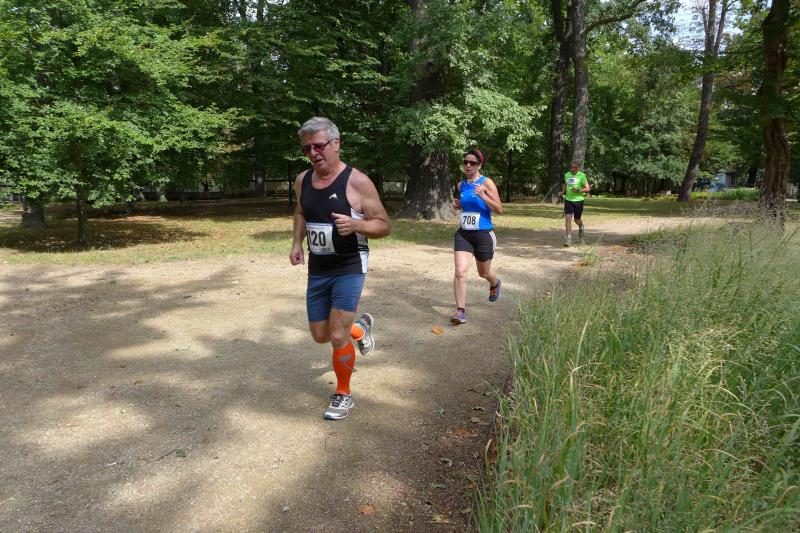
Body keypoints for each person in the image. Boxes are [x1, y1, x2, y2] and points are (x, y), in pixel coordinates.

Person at [289, 117, 391, 420]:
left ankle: (343, 393)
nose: (313, 153)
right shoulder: (302, 180)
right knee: (320, 335)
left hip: (350, 265)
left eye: (319, 146)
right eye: (307, 149)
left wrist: (357, 225)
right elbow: (300, 212)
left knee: (336, 336)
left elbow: (384, 225)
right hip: (319, 267)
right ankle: (360, 330)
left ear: (336, 144)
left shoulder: (357, 182)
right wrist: (296, 243)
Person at [451, 149, 503, 325]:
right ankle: (460, 311)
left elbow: (499, 209)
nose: (468, 165)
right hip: (464, 233)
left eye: (472, 163)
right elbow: (468, 206)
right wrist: (459, 205)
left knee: (484, 272)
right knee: (460, 271)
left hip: (483, 234)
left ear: (479, 165)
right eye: (466, 162)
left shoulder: (486, 182)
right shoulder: (461, 185)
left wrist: (483, 195)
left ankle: (494, 283)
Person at [562, 162, 590, 246]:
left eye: (575, 167)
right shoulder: (567, 175)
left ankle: (581, 225)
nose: (573, 169)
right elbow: (565, 184)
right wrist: (562, 192)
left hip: (578, 201)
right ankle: (569, 239)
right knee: (568, 220)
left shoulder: (582, 175)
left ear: (578, 168)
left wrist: (578, 190)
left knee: (576, 219)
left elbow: (587, 188)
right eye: (572, 167)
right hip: (568, 200)